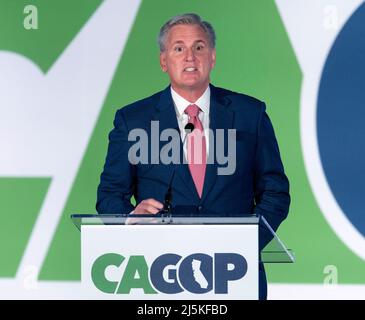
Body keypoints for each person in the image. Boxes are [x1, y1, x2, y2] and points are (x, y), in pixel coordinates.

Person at [96, 13, 290, 300]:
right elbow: (110, 194)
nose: (190, 57)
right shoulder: (133, 120)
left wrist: (245, 244)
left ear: (212, 57)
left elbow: (275, 192)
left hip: (236, 273)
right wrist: (129, 219)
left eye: (199, 48)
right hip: (160, 272)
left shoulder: (251, 114)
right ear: (164, 61)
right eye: (179, 48)